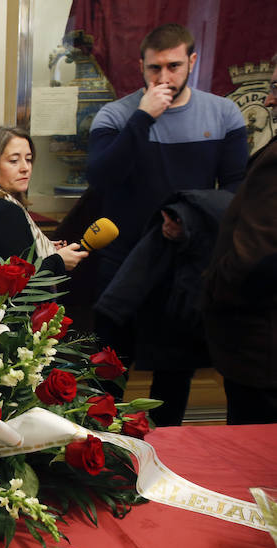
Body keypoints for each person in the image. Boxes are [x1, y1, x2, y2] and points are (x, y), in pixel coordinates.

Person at [87, 23, 247, 418]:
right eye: (153, 69)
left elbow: (235, 192)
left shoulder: (223, 113)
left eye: (173, 66)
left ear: (192, 62)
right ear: (140, 67)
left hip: (183, 264)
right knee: (105, 371)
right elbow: (101, 179)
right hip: (123, 261)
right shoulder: (115, 114)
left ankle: (164, 462)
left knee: (173, 380)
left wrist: (190, 223)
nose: (163, 78)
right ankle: (96, 460)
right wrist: (142, 118)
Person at [203, 56, 277, 424]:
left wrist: (218, 292)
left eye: (276, 88)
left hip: (260, 347)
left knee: (252, 459)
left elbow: (255, 257)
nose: (269, 101)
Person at [0, 125, 87, 281]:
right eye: (14, 161)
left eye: (28, 159)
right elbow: (18, 282)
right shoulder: (4, 210)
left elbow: (8, 254)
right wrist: (59, 261)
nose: (25, 168)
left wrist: (40, 248)